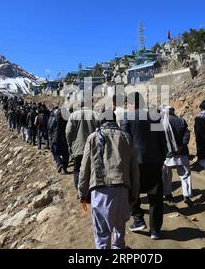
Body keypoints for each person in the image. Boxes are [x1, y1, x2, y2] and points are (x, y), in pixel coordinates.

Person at [78, 112, 140, 249]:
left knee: (101, 232)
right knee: (119, 229)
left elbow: (84, 167)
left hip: (99, 190)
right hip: (122, 189)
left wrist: (82, 192)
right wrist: (135, 192)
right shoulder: (126, 137)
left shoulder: (92, 138)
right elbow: (134, 169)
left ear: (100, 122)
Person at [120, 92, 167, 240]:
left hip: (134, 162)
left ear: (132, 104)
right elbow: (162, 141)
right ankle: (155, 231)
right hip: (154, 161)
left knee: (131, 192)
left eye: (127, 104)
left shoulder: (127, 117)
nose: (127, 107)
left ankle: (138, 219)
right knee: (155, 198)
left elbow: (124, 141)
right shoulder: (154, 117)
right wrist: (161, 159)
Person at [161, 106, 193, 206]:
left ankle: (168, 194)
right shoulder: (181, 121)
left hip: (167, 154)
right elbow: (187, 134)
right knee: (185, 175)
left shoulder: (160, 122)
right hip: (181, 153)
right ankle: (186, 195)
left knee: (166, 176)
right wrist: (181, 146)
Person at [66, 101, 99, 190]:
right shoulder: (95, 114)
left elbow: (68, 132)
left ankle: (79, 189)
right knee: (92, 169)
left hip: (78, 148)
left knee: (77, 169)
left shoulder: (73, 115)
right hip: (93, 147)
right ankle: (91, 189)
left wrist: (70, 144)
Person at [48, 106, 70, 174]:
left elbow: (49, 127)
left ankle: (59, 162)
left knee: (55, 152)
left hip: (55, 139)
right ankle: (65, 168)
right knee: (66, 154)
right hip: (64, 138)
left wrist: (50, 137)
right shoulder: (67, 119)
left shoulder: (54, 118)